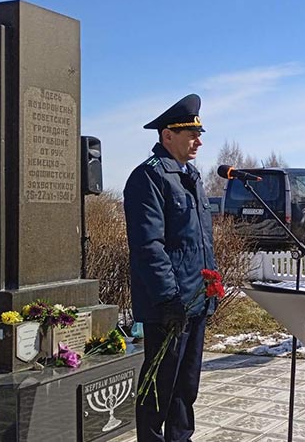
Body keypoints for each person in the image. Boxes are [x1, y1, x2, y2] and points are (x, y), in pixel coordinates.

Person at [124, 94, 218, 442]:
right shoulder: (148, 177)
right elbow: (149, 245)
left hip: (195, 300)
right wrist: (168, 299)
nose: (199, 141)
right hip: (169, 304)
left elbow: (199, 242)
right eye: (191, 134)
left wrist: (210, 288)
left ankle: (181, 438)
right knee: (159, 386)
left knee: (186, 385)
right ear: (167, 136)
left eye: (199, 134)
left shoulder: (190, 177)